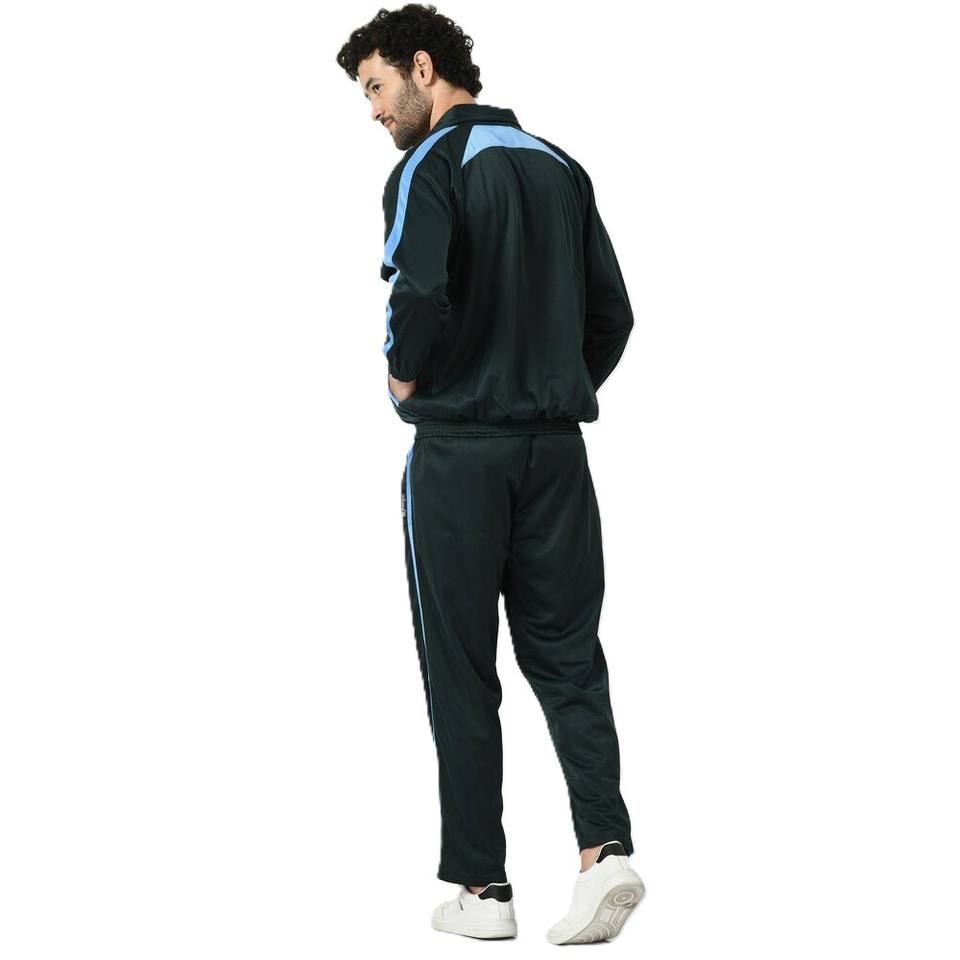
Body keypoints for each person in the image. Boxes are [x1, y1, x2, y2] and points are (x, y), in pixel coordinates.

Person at [336, 4, 645, 944]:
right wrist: (551, 387)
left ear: (424, 68)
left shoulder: (427, 166)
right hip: (557, 454)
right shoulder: (558, 165)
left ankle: (483, 889)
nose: (374, 111)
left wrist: (404, 377)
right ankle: (606, 854)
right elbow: (614, 315)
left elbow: (419, 288)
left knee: (461, 667)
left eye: (377, 87)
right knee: (569, 655)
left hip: (460, 457)